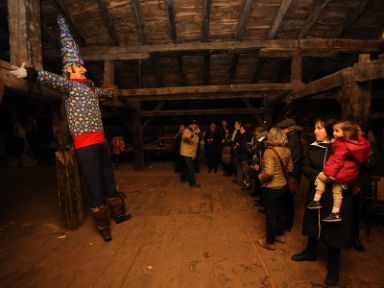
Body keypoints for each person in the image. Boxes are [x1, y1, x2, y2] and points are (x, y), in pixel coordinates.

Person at [10, 15, 131, 242]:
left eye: (83, 68)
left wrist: (113, 92)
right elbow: (51, 79)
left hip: (101, 142)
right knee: (94, 185)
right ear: (69, 71)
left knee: (108, 178)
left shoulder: (91, 88)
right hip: (85, 146)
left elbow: (105, 93)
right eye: (79, 68)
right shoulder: (68, 86)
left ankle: (118, 212)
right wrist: (32, 73)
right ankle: (103, 225)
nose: (83, 71)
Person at [291, 118, 354, 286]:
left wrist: (340, 179)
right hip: (317, 192)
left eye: (319, 128)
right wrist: (318, 175)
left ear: (328, 129)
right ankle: (310, 252)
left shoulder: (343, 147)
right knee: (313, 222)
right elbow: (305, 167)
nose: (315, 131)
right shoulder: (312, 148)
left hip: (335, 196)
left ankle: (333, 268)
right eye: (314, 128)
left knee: (334, 230)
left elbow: (353, 168)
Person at [307, 121, 371, 222]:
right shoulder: (354, 145)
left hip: (338, 177)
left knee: (331, 187)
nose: (315, 131)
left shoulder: (341, 145)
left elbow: (337, 161)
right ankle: (335, 213)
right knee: (336, 191)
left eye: (319, 128)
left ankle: (316, 202)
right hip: (343, 177)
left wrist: (329, 173)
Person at [258, 127, 293, 250]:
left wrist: (260, 177)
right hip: (283, 186)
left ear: (271, 137)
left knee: (271, 215)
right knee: (280, 211)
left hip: (271, 188)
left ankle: (269, 241)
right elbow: (290, 169)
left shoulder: (269, 151)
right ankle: (280, 235)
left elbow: (268, 173)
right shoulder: (287, 150)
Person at [276, 118, 303, 231]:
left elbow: (293, 160)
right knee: (287, 200)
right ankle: (287, 223)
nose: (281, 130)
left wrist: (288, 174)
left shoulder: (293, 140)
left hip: (291, 175)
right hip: (291, 174)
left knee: (287, 200)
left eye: (283, 128)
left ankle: (287, 224)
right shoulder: (291, 138)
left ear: (289, 129)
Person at [180, 120, 201, 188]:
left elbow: (195, 144)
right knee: (191, 168)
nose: (195, 126)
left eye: (195, 125)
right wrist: (193, 133)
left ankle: (183, 179)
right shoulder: (186, 131)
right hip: (186, 153)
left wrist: (194, 153)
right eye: (193, 125)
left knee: (185, 167)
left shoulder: (193, 132)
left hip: (189, 153)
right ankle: (192, 184)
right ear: (190, 125)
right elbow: (185, 138)